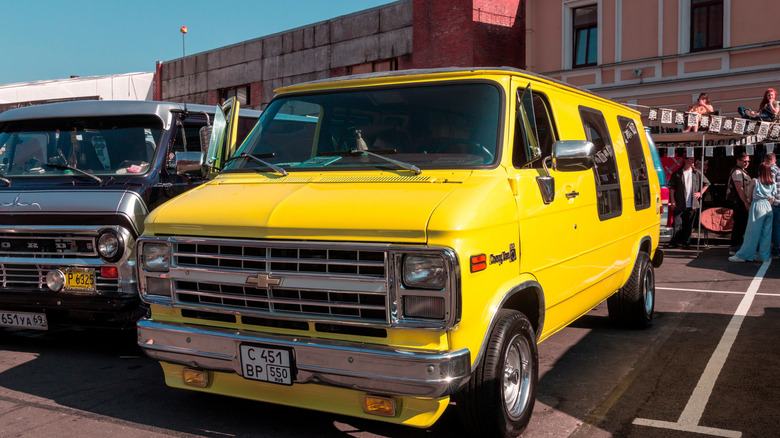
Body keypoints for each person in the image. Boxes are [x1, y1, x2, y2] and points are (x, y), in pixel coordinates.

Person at [729, 162, 777, 262]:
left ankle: (744, 255)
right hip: (768, 206)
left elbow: (748, 195)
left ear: (759, 171)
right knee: (766, 233)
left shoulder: (755, 181)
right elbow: (773, 198)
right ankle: (763, 255)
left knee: (752, 232)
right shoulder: (773, 183)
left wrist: (749, 203)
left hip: (757, 205)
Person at [668, 155, 710, 249]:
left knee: (689, 224)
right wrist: (673, 200)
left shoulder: (696, 172)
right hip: (679, 202)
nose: (692, 161)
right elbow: (671, 187)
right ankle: (674, 241)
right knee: (677, 223)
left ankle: (686, 242)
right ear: (685, 160)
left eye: (693, 160)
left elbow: (707, 183)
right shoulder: (677, 173)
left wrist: (700, 193)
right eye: (690, 159)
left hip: (692, 203)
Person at [726, 152, 752, 255]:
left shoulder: (743, 171)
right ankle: (734, 247)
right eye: (744, 161)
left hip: (742, 202)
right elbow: (740, 189)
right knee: (739, 225)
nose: (746, 163)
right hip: (739, 202)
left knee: (742, 224)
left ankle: (738, 246)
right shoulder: (737, 172)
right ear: (738, 161)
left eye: (748, 161)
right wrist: (746, 203)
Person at [768, 153, 780, 258]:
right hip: (778, 202)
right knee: (777, 227)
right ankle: (776, 250)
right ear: (775, 160)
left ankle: (774, 250)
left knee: (770, 227)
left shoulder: (771, 170)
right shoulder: (778, 170)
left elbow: (771, 187)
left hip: (773, 202)